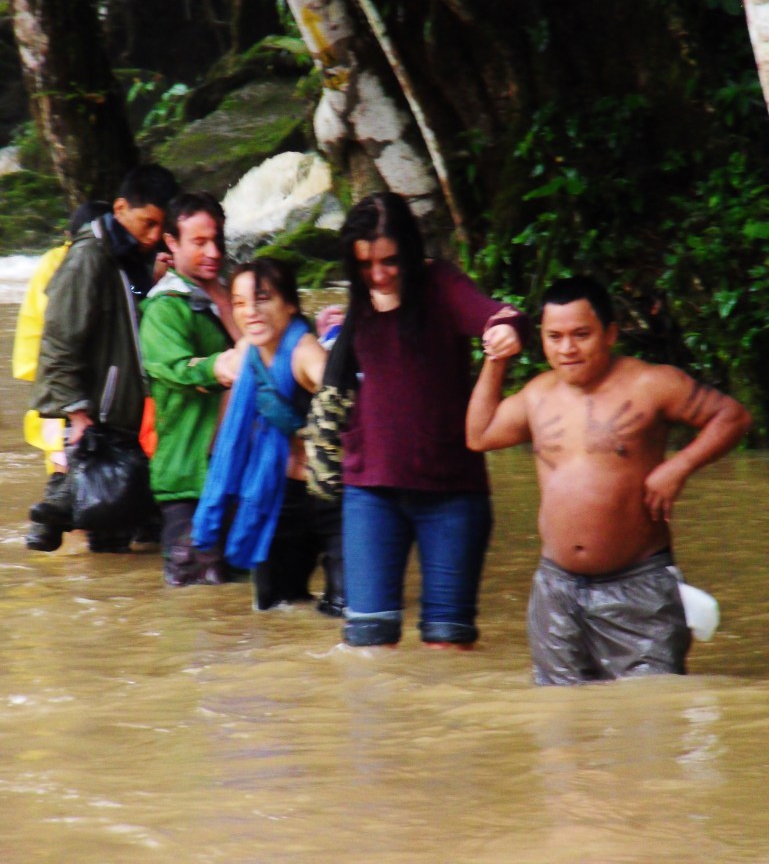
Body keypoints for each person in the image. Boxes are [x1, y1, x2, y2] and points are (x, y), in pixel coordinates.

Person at [466, 275, 752, 685]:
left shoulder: (652, 384)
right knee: (560, 721)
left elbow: (733, 417)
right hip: (556, 588)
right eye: (555, 336)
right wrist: (495, 362)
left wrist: (678, 467)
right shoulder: (537, 394)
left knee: (650, 714)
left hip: (637, 583)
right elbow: (480, 435)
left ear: (610, 333)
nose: (567, 348)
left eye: (581, 334)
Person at [337, 192, 531, 649]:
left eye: (390, 261)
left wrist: (505, 332)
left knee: (448, 646)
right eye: (366, 264)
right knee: (369, 645)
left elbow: (502, 315)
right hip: (370, 492)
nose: (379, 275)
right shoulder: (356, 301)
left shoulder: (440, 284)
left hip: (451, 493)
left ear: (409, 250)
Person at [30, 164, 179, 553]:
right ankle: (57, 511)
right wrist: (77, 414)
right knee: (110, 545)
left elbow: (129, 325)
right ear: (120, 207)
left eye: (159, 228)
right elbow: (59, 342)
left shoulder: (127, 257)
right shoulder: (89, 258)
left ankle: (57, 511)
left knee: (123, 535)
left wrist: (155, 283)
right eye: (147, 223)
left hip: (125, 422)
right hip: (97, 423)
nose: (151, 236)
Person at [192, 258, 345, 616]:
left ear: (290, 304)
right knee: (275, 609)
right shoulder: (249, 351)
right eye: (241, 302)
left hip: (334, 497)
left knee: (345, 612)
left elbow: (352, 411)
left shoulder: (308, 356)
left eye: (262, 299)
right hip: (280, 496)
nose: (251, 312)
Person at [139, 192, 243, 585]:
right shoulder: (166, 306)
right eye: (199, 243)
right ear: (172, 243)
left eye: (216, 240)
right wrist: (220, 365)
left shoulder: (229, 295)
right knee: (195, 602)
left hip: (233, 470)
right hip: (188, 476)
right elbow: (174, 368)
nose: (213, 251)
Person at [13, 201, 111, 541]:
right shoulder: (79, 263)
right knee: (77, 470)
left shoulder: (56, 262)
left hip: (54, 388)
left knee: (67, 467)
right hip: (70, 388)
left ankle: (60, 532)